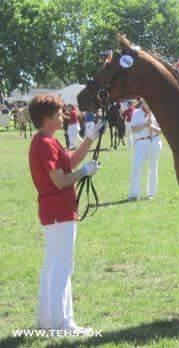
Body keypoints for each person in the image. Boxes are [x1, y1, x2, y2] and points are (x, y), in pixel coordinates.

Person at [28, 94, 104, 334]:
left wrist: (89, 139)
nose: (64, 116)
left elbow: (68, 161)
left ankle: (48, 321)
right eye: (59, 113)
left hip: (54, 212)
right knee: (62, 267)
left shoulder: (47, 140)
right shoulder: (45, 143)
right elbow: (60, 180)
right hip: (59, 211)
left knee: (53, 266)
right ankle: (63, 324)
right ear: (47, 118)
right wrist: (85, 172)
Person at [128, 98, 162, 200]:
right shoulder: (136, 113)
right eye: (146, 101)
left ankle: (151, 193)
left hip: (154, 141)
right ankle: (134, 194)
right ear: (143, 101)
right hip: (140, 142)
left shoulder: (157, 112)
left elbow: (161, 130)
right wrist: (145, 125)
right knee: (137, 166)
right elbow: (133, 129)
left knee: (153, 167)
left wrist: (152, 127)